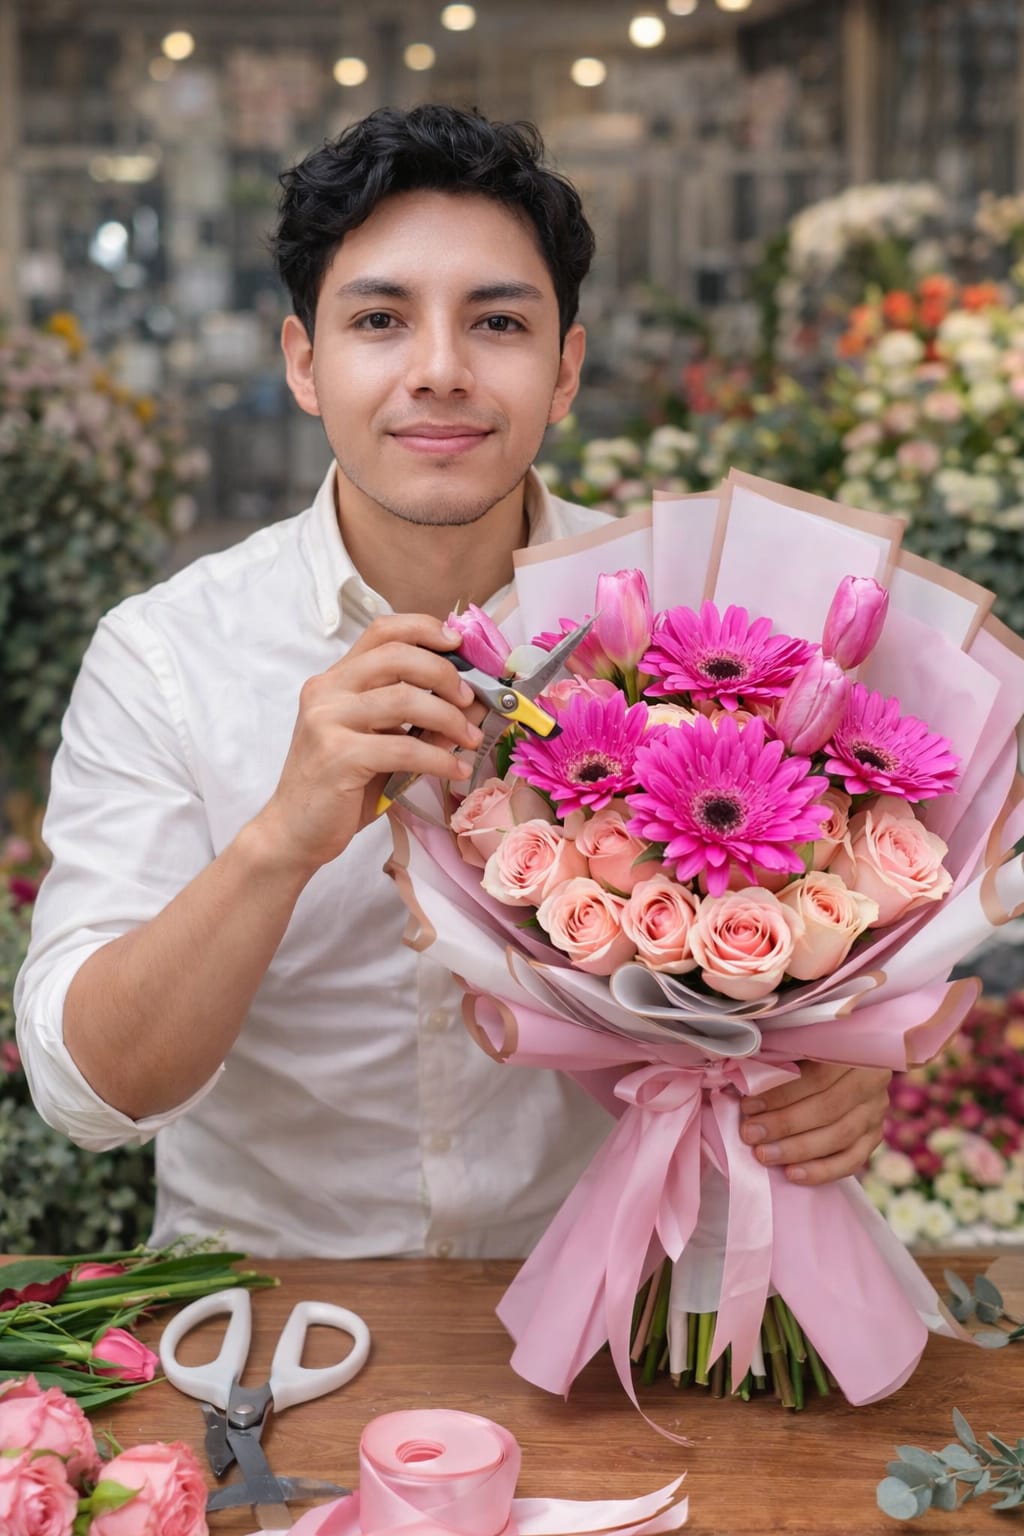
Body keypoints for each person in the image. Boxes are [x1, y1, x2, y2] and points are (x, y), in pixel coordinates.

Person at [15, 105, 891, 1258]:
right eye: (379, 319)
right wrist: (280, 836)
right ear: (304, 364)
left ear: (565, 370)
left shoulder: (697, 628)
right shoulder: (168, 655)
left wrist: (836, 1070)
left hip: (629, 1298)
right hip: (282, 1317)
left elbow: (823, 985)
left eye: (497, 322)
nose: (439, 370)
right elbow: (91, 1098)